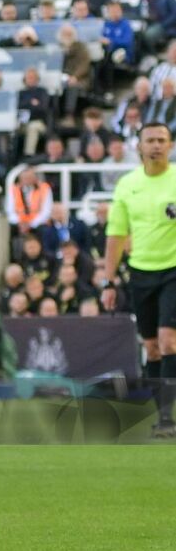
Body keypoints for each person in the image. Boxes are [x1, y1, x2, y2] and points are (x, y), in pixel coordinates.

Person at [103, 122, 176, 437]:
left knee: (168, 340)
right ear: (139, 146)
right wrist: (108, 281)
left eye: (162, 140)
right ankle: (161, 415)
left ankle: (167, 419)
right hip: (141, 272)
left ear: (170, 146)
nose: (156, 145)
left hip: (173, 270)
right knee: (152, 348)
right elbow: (116, 235)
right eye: (150, 140)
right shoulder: (127, 185)